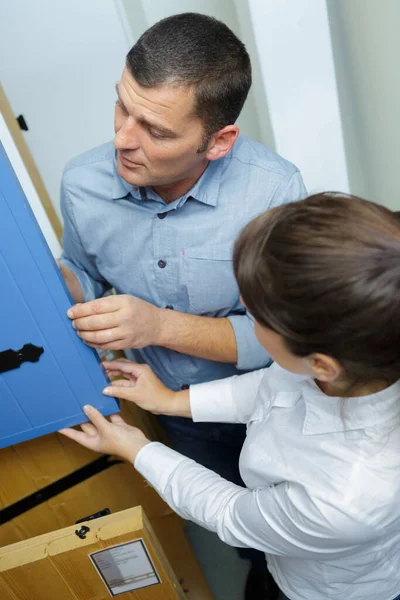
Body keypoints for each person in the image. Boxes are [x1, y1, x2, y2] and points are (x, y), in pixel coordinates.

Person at [59, 13, 305, 598]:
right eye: (123, 108)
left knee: (291, 531)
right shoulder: (81, 182)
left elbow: (288, 339)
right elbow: (84, 276)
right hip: (173, 411)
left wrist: (158, 324)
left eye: (157, 131)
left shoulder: (274, 193)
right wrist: (69, 293)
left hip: (271, 407)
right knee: (244, 537)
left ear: (218, 141)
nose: (122, 138)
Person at [60, 193, 400, 600]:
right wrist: (168, 400)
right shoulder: (350, 363)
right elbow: (268, 387)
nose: (243, 306)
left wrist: (137, 449)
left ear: (322, 365)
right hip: (289, 557)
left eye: (255, 315)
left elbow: (227, 509)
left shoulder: (347, 497)